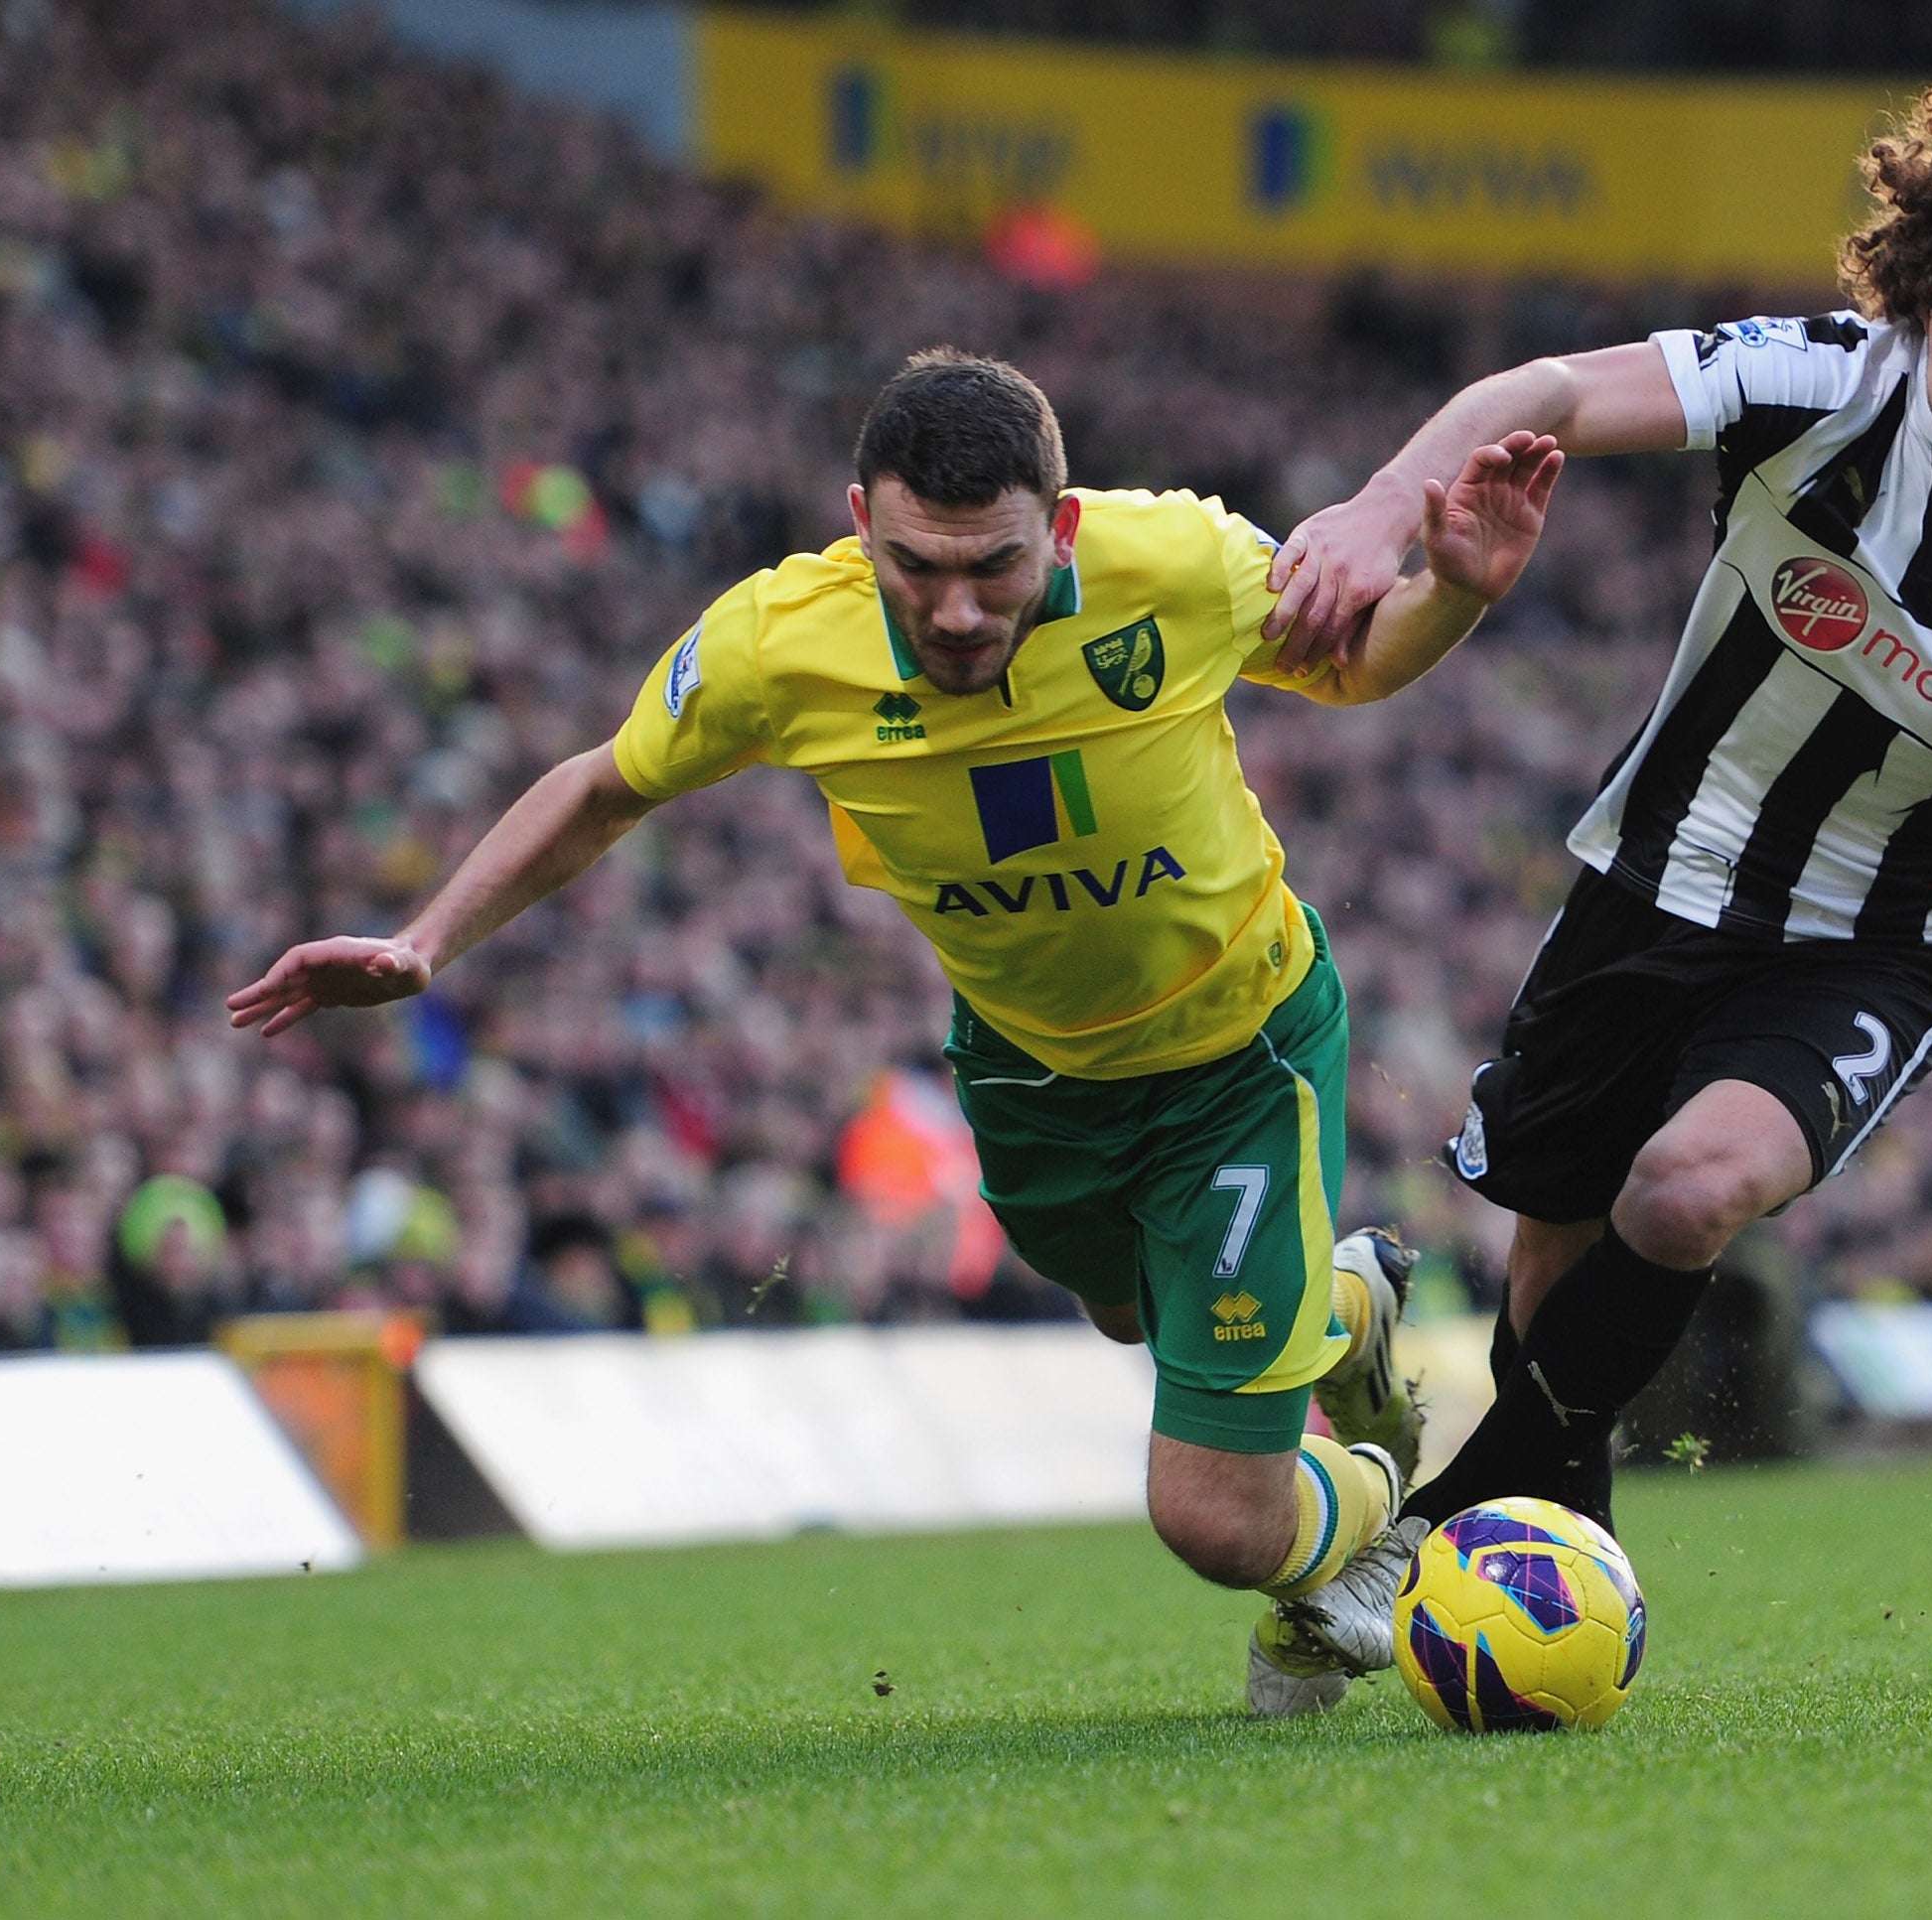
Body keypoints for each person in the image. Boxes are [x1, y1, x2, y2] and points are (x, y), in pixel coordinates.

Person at [226, 347, 1566, 1716]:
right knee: (1129, 1315)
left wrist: (1457, 589)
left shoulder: (1184, 565)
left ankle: (1380, 1507)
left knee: (1216, 1521)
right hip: (1030, 1071)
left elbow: (1360, 665)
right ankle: (1342, 1307)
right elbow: (603, 787)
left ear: (1064, 525)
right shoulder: (778, 641)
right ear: (859, 520)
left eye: (995, 564)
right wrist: (424, 942)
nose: (959, 607)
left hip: (1238, 1053)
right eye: (918, 565)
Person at [1259, 83, 1932, 1675]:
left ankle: (1408, 1544)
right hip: (1648, 877)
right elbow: (1542, 385)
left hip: (1876, 945)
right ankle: (1519, 1646)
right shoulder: (1820, 379)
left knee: (1685, 1191)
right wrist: (1371, 507)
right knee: (1551, 1285)